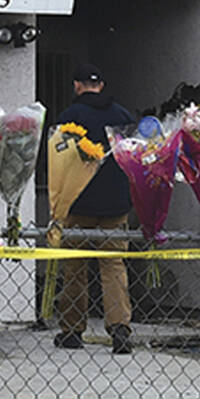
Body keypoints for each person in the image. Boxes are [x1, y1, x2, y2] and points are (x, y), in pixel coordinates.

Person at [53, 63, 135, 355]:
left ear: (77, 85)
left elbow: (58, 161)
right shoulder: (122, 116)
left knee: (75, 266)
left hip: (78, 204)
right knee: (113, 265)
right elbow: (133, 157)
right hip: (116, 205)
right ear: (100, 85)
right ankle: (120, 329)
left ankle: (72, 330)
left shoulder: (69, 117)